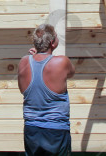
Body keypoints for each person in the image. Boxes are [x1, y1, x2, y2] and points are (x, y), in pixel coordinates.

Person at [18, 24, 76, 156]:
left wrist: (36, 56)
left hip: (31, 130)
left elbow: (23, 90)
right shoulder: (62, 62)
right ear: (52, 42)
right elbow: (71, 72)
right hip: (56, 131)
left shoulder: (23, 62)